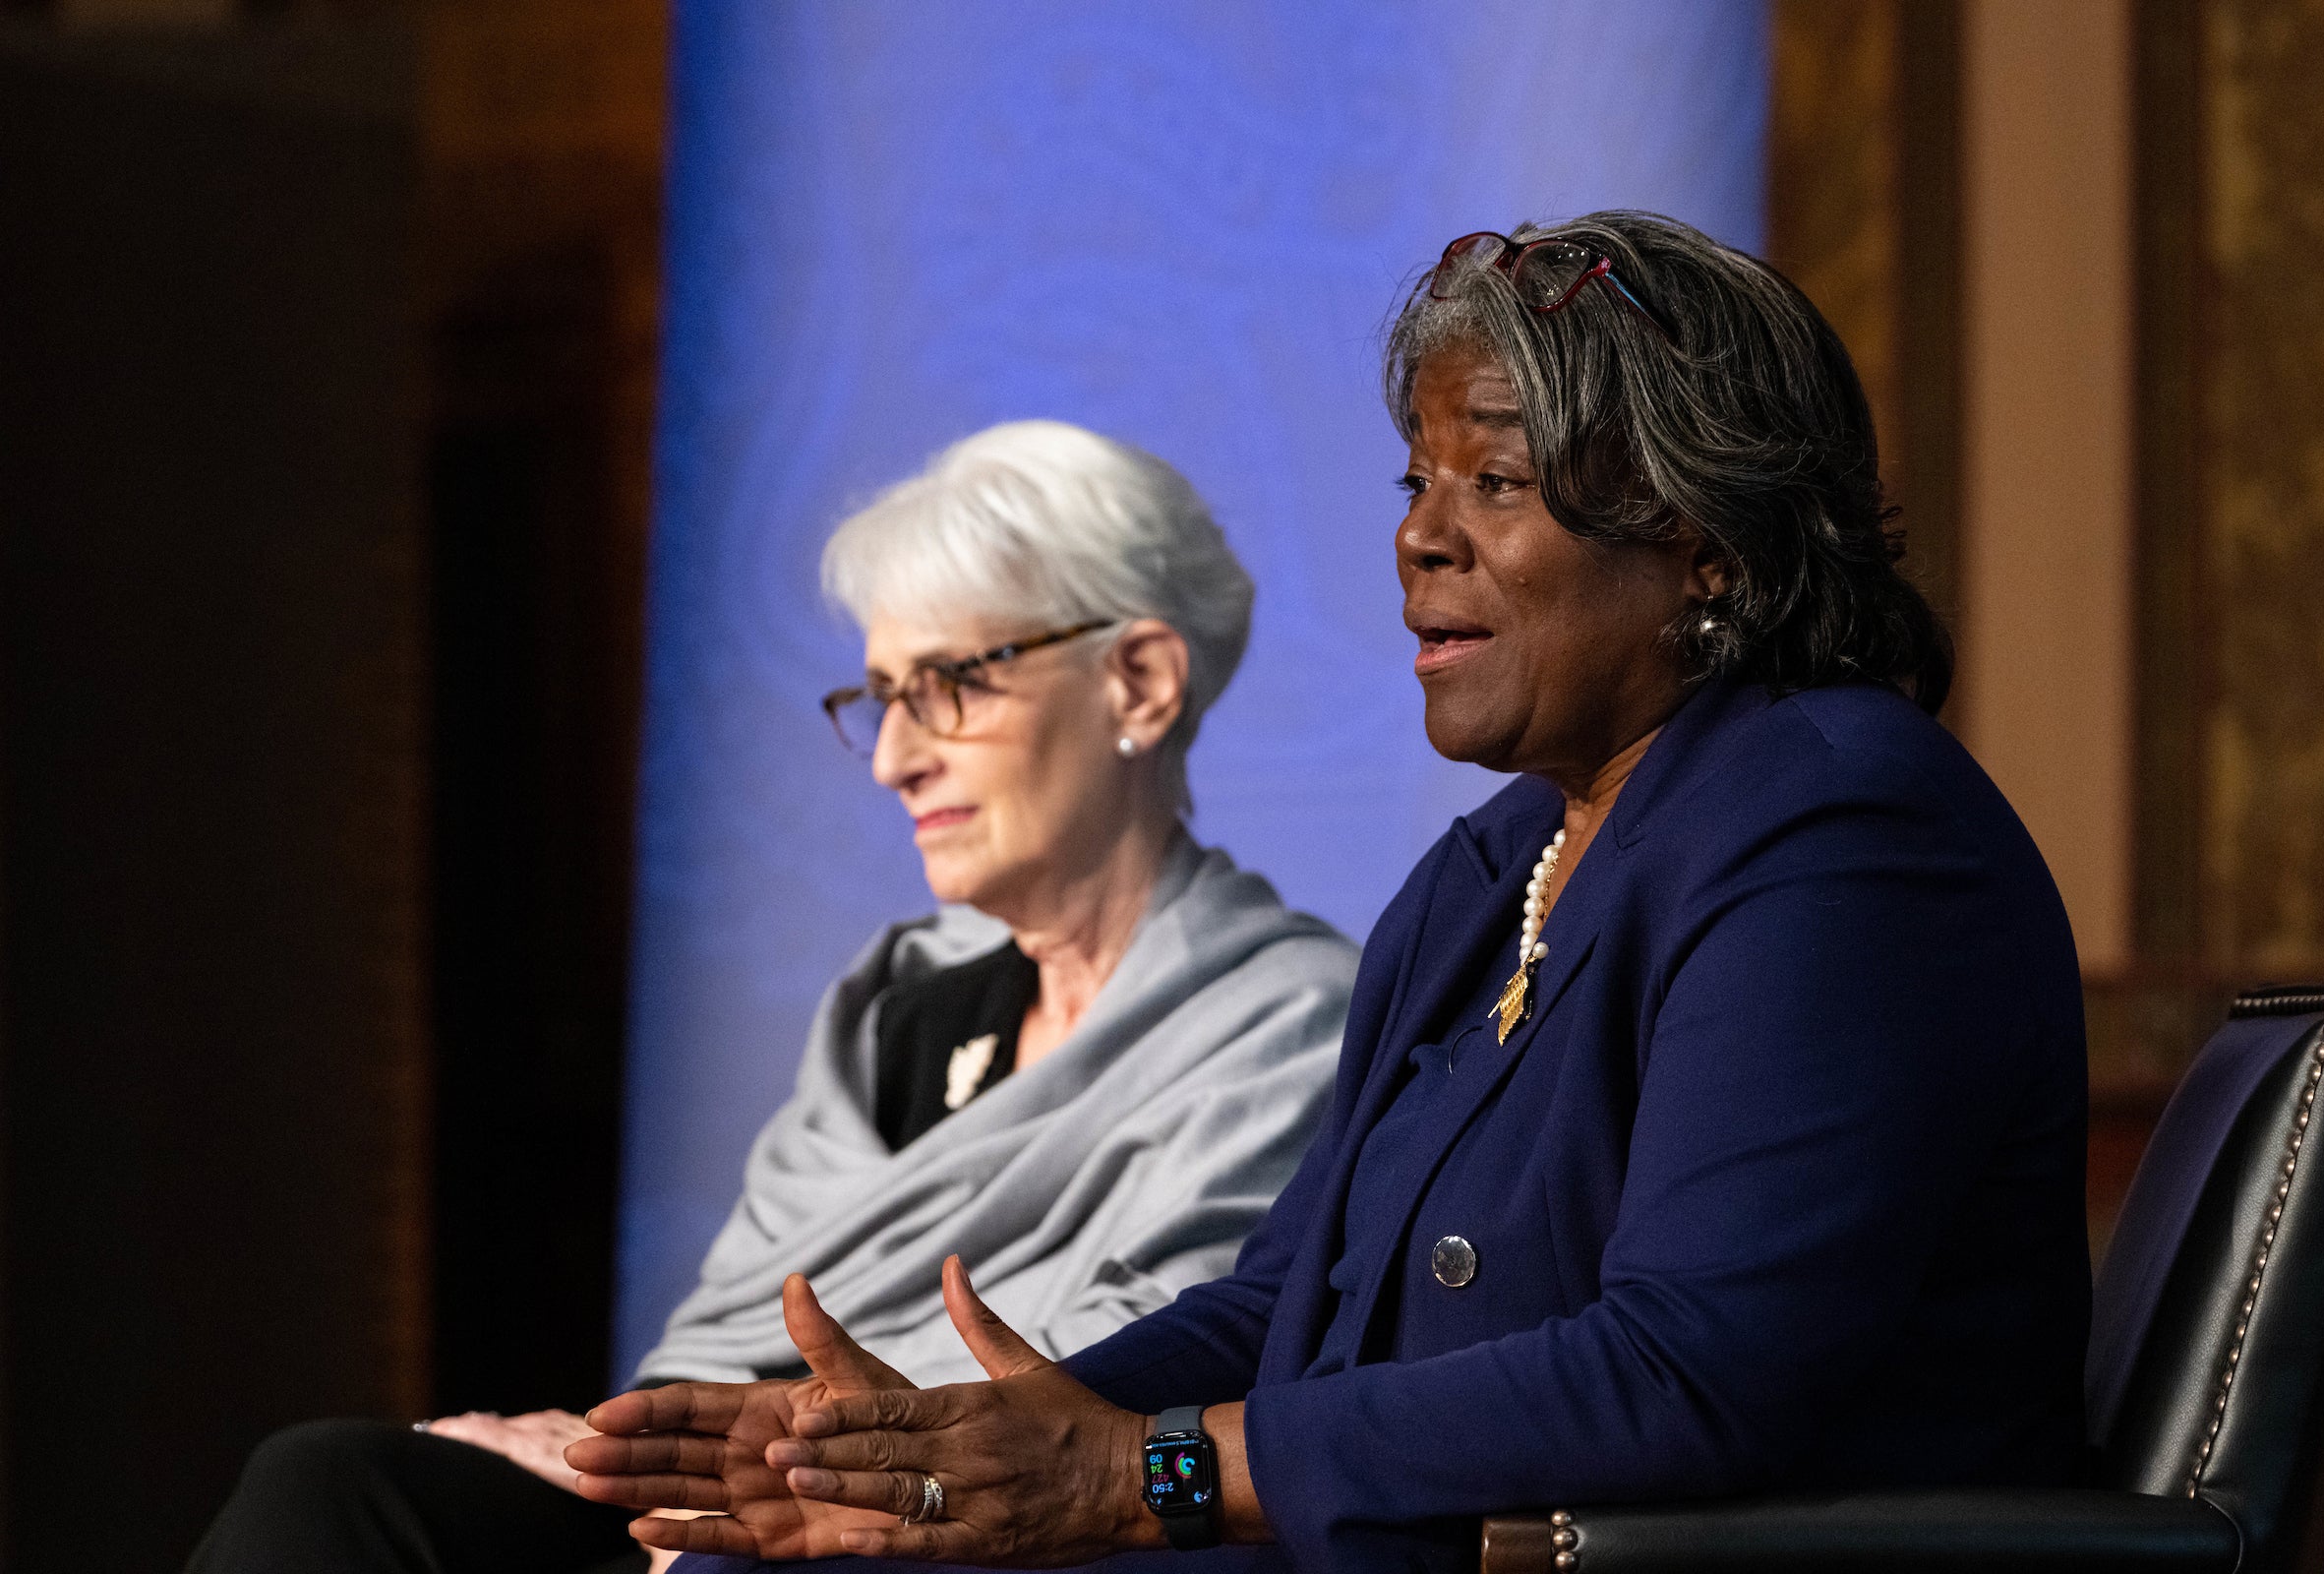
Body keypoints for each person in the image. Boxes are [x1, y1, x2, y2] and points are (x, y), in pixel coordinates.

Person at [566, 212, 2092, 1574]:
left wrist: (1133, 1477)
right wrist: (954, 1458)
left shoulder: (1838, 834)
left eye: (1494, 480)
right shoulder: (1491, 871)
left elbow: (1687, 1375)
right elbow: (1296, 1302)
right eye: (1419, 480)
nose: (1419, 536)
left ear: (1701, 537)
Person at [183, 420, 1360, 1574]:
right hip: (770, 1474)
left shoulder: (1294, 1018)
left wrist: (768, 1447)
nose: (898, 753)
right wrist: (633, 1446)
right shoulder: (901, 1005)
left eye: (950, 684)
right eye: (882, 696)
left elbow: (1119, 1373)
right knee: (333, 1479)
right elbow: (731, 1334)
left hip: (982, 1520)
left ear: (1139, 683)